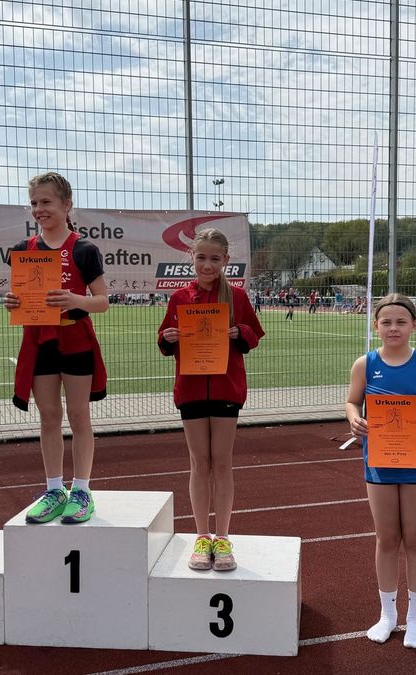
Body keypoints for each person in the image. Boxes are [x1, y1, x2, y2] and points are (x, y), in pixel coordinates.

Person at [344, 294, 416, 649]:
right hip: (378, 460)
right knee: (386, 538)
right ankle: (387, 614)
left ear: (414, 326)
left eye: (401, 322)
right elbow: (352, 401)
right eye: (386, 322)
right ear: (376, 326)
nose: (393, 328)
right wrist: (354, 419)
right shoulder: (365, 363)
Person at [4, 171, 109, 525]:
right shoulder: (23, 250)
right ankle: (53, 490)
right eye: (34, 203)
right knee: (49, 417)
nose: (39, 209)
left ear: (67, 205)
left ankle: (81, 491)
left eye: (46, 202)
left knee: (79, 416)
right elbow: (21, 298)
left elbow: (102, 301)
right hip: (40, 343)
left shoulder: (84, 249)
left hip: (75, 339)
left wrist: (74, 299)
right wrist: (12, 302)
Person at [158, 228, 264, 572]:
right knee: (198, 463)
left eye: (215, 259)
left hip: (225, 388)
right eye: (201, 257)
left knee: (222, 462)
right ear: (191, 257)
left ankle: (223, 536)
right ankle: (201, 536)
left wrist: (239, 332)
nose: (207, 265)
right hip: (190, 388)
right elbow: (164, 338)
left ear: (226, 261)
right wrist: (168, 336)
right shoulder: (179, 297)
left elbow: (254, 334)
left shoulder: (237, 297)